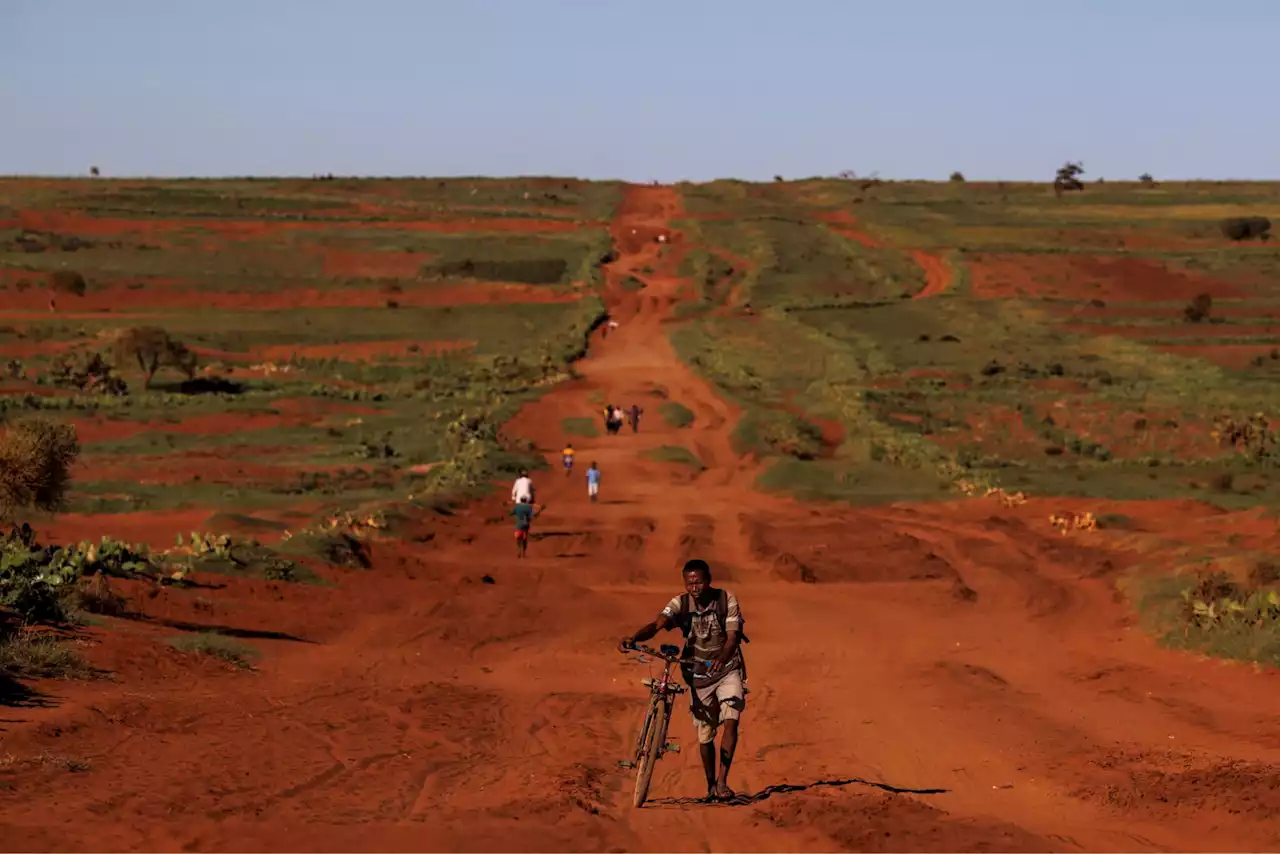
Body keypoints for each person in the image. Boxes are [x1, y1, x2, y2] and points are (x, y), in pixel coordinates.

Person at [618, 559, 746, 802]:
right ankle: (710, 787)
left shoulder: (725, 599)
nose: (694, 587)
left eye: (698, 582)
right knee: (705, 734)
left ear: (708, 581)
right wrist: (634, 637)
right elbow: (658, 624)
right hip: (697, 673)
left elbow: (732, 638)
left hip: (727, 668)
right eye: (690, 583)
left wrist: (721, 658)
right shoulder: (680, 603)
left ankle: (722, 782)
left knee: (731, 720)